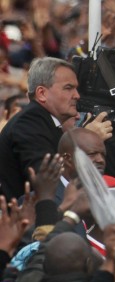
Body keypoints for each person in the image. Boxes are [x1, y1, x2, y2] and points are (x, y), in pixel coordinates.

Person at [0, 57, 79, 200]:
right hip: (30, 218)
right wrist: (84, 142)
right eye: (68, 88)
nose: (77, 95)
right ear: (42, 93)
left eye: (76, 88)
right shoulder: (29, 123)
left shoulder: (43, 121)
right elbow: (46, 182)